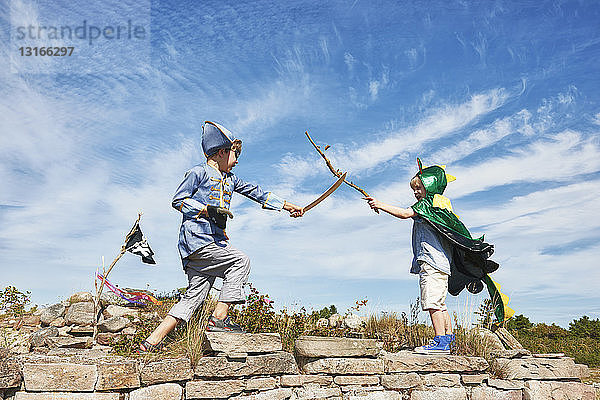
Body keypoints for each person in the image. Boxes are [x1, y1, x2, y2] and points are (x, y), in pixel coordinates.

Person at [139, 121, 303, 352]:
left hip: (209, 246)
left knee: (193, 298)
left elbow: (257, 193)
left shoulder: (231, 180)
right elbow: (178, 200)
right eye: (234, 156)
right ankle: (219, 318)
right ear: (222, 152)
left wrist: (286, 206)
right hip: (198, 241)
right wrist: (206, 210)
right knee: (240, 261)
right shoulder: (198, 172)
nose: (236, 162)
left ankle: (150, 342)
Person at [365, 159, 503, 354]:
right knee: (440, 303)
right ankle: (448, 339)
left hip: (431, 261)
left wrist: (380, 204)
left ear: (430, 186)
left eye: (419, 188)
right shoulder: (440, 207)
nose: (415, 192)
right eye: (414, 189)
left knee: (431, 302)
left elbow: (405, 214)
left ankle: (440, 342)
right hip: (440, 263)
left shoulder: (427, 205)